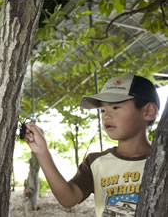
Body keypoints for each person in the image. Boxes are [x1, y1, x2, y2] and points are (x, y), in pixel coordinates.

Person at [23, 74, 160, 216]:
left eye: (116, 107)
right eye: (102, 110)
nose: (106, 115)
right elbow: (68, 198)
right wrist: (42, 152)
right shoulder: (96, 163)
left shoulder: (163, 163)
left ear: (148, 111)